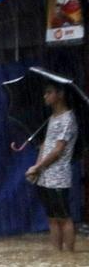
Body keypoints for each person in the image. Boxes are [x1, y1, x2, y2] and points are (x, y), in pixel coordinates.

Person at [26, 82, 78, 252]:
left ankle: (69, 255)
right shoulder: (51, 118)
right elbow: (44, 145)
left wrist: (38, 167)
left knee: (64, 217)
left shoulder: (68, 119)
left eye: (49, 92)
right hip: (45, 177)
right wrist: (36, 167)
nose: (45, 96)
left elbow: (58, 150)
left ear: (60, 94)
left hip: (59, 178)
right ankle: (57, 255)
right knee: (52, 218)